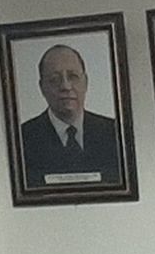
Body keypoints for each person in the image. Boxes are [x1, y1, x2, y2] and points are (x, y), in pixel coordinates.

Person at [20, 44, 121, 187]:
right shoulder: (23, 139)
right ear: (42, 87)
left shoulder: (115, 133)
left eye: (73, 77)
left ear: (86, 82)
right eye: (55, 79)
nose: (66, 87)